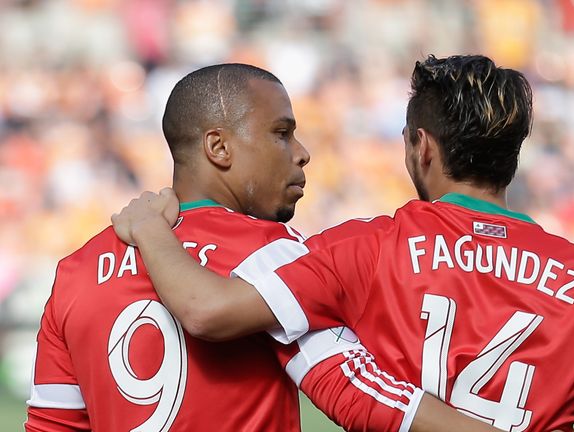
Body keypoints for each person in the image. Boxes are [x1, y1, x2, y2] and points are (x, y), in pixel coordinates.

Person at [112, 55, 574, 432]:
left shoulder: (362, 250)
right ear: (514, 152)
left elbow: (208, 311)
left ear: (422, 147)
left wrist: (151, 228)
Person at [26, 63, 501, 432]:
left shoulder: (75, 271)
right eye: (281, 132)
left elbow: (52, 424)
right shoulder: (269, 251)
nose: (302, 151)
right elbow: (355, 390)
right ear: (219, 148)